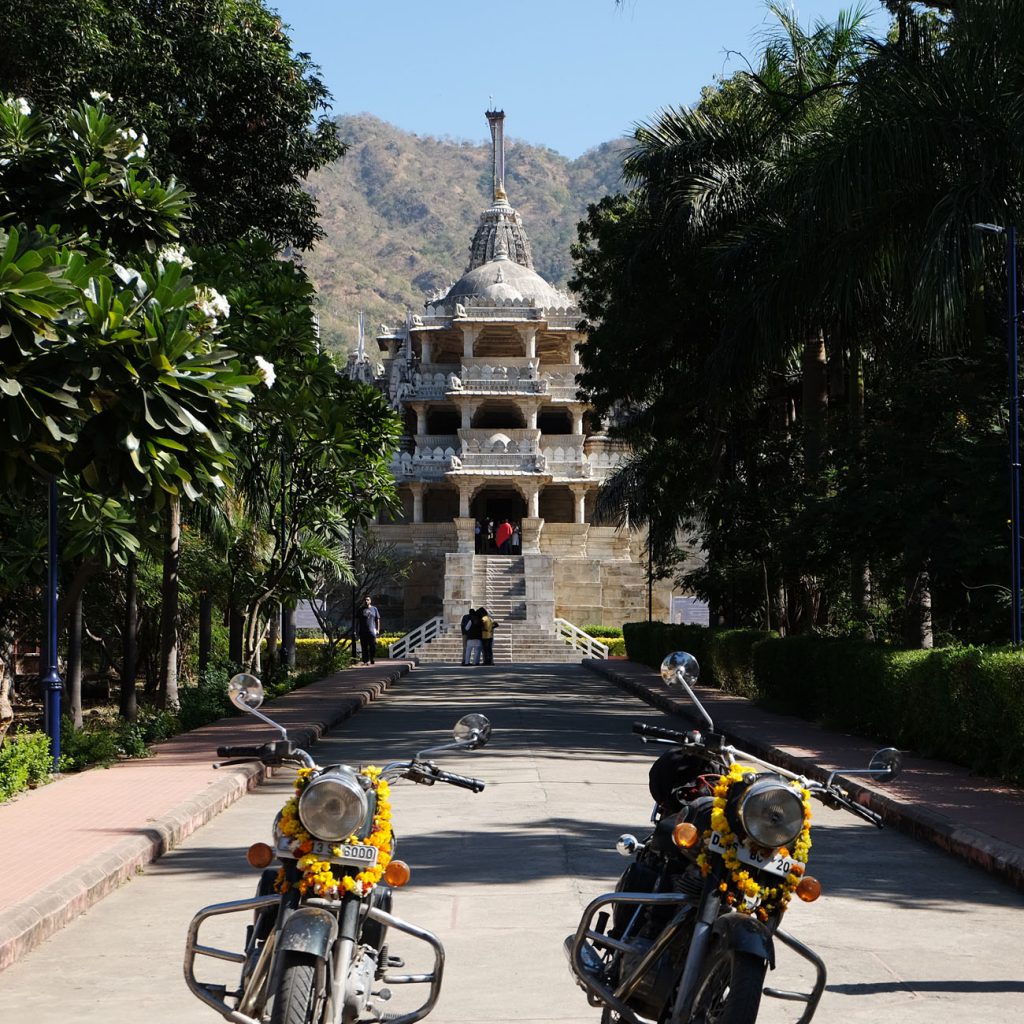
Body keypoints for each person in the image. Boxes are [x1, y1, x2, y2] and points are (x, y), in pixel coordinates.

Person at [358, 594, 381, 665]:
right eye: (365, 600)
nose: (366, 601)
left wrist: (378, 629)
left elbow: (377, 620)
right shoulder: (360, 609)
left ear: (370, 601)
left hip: (371, 631)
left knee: (372, 646)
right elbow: (357, 620)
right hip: (363, 631)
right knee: (364, 646)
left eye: (368, 600)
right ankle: (365, 660)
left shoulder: (374, 609)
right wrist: (356, 629)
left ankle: (372, 658)